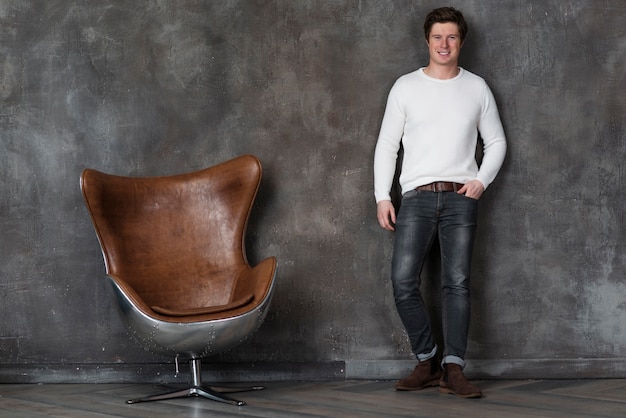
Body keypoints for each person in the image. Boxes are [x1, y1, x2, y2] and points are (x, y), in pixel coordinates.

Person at [373, 7, 507, 398]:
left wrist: (482, 180)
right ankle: (427, 359)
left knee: (458, 284)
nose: (444, 44)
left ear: (461, 41)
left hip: (461, 198)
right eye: (437, 37)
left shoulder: (477, 88)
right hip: (414, 198)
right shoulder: (405, 87)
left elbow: (496, 142)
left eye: (451, 37)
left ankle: (454, 369)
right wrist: (383, 195)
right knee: (402, 282)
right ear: (427, 41)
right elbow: (387, 144)